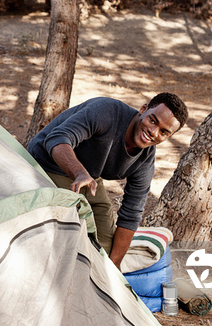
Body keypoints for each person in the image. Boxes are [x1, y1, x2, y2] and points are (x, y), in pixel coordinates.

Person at [27, 93, 188, 270]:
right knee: (70, 228)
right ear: (143, 109)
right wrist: (80, 173)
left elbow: (131, 213)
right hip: (48, 162)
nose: (154, 132)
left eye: (164, 132)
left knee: (106, 245)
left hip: (89, 177)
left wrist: (113, 267)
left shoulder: (145, 162)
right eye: (153, 120)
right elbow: (57, 139)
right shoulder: (106, 112)